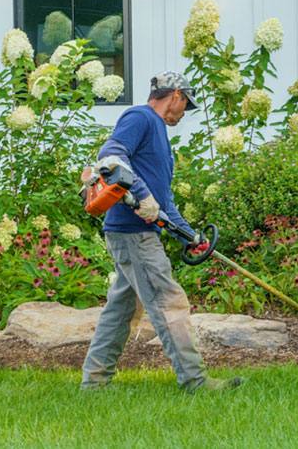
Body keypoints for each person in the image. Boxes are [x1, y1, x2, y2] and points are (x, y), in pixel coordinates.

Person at [81, 71, 243, 393]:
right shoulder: (140, 117)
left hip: (130, 234)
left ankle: (94, 384)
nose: (183, 113)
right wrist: (140, 194)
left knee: (121, 310)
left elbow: (163, 202)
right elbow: (110, 155)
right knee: (170, 303)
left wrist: (190, 236)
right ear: (177, 95)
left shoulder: (158, 135)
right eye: (186, 105)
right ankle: (195, 381)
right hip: (134, 234)